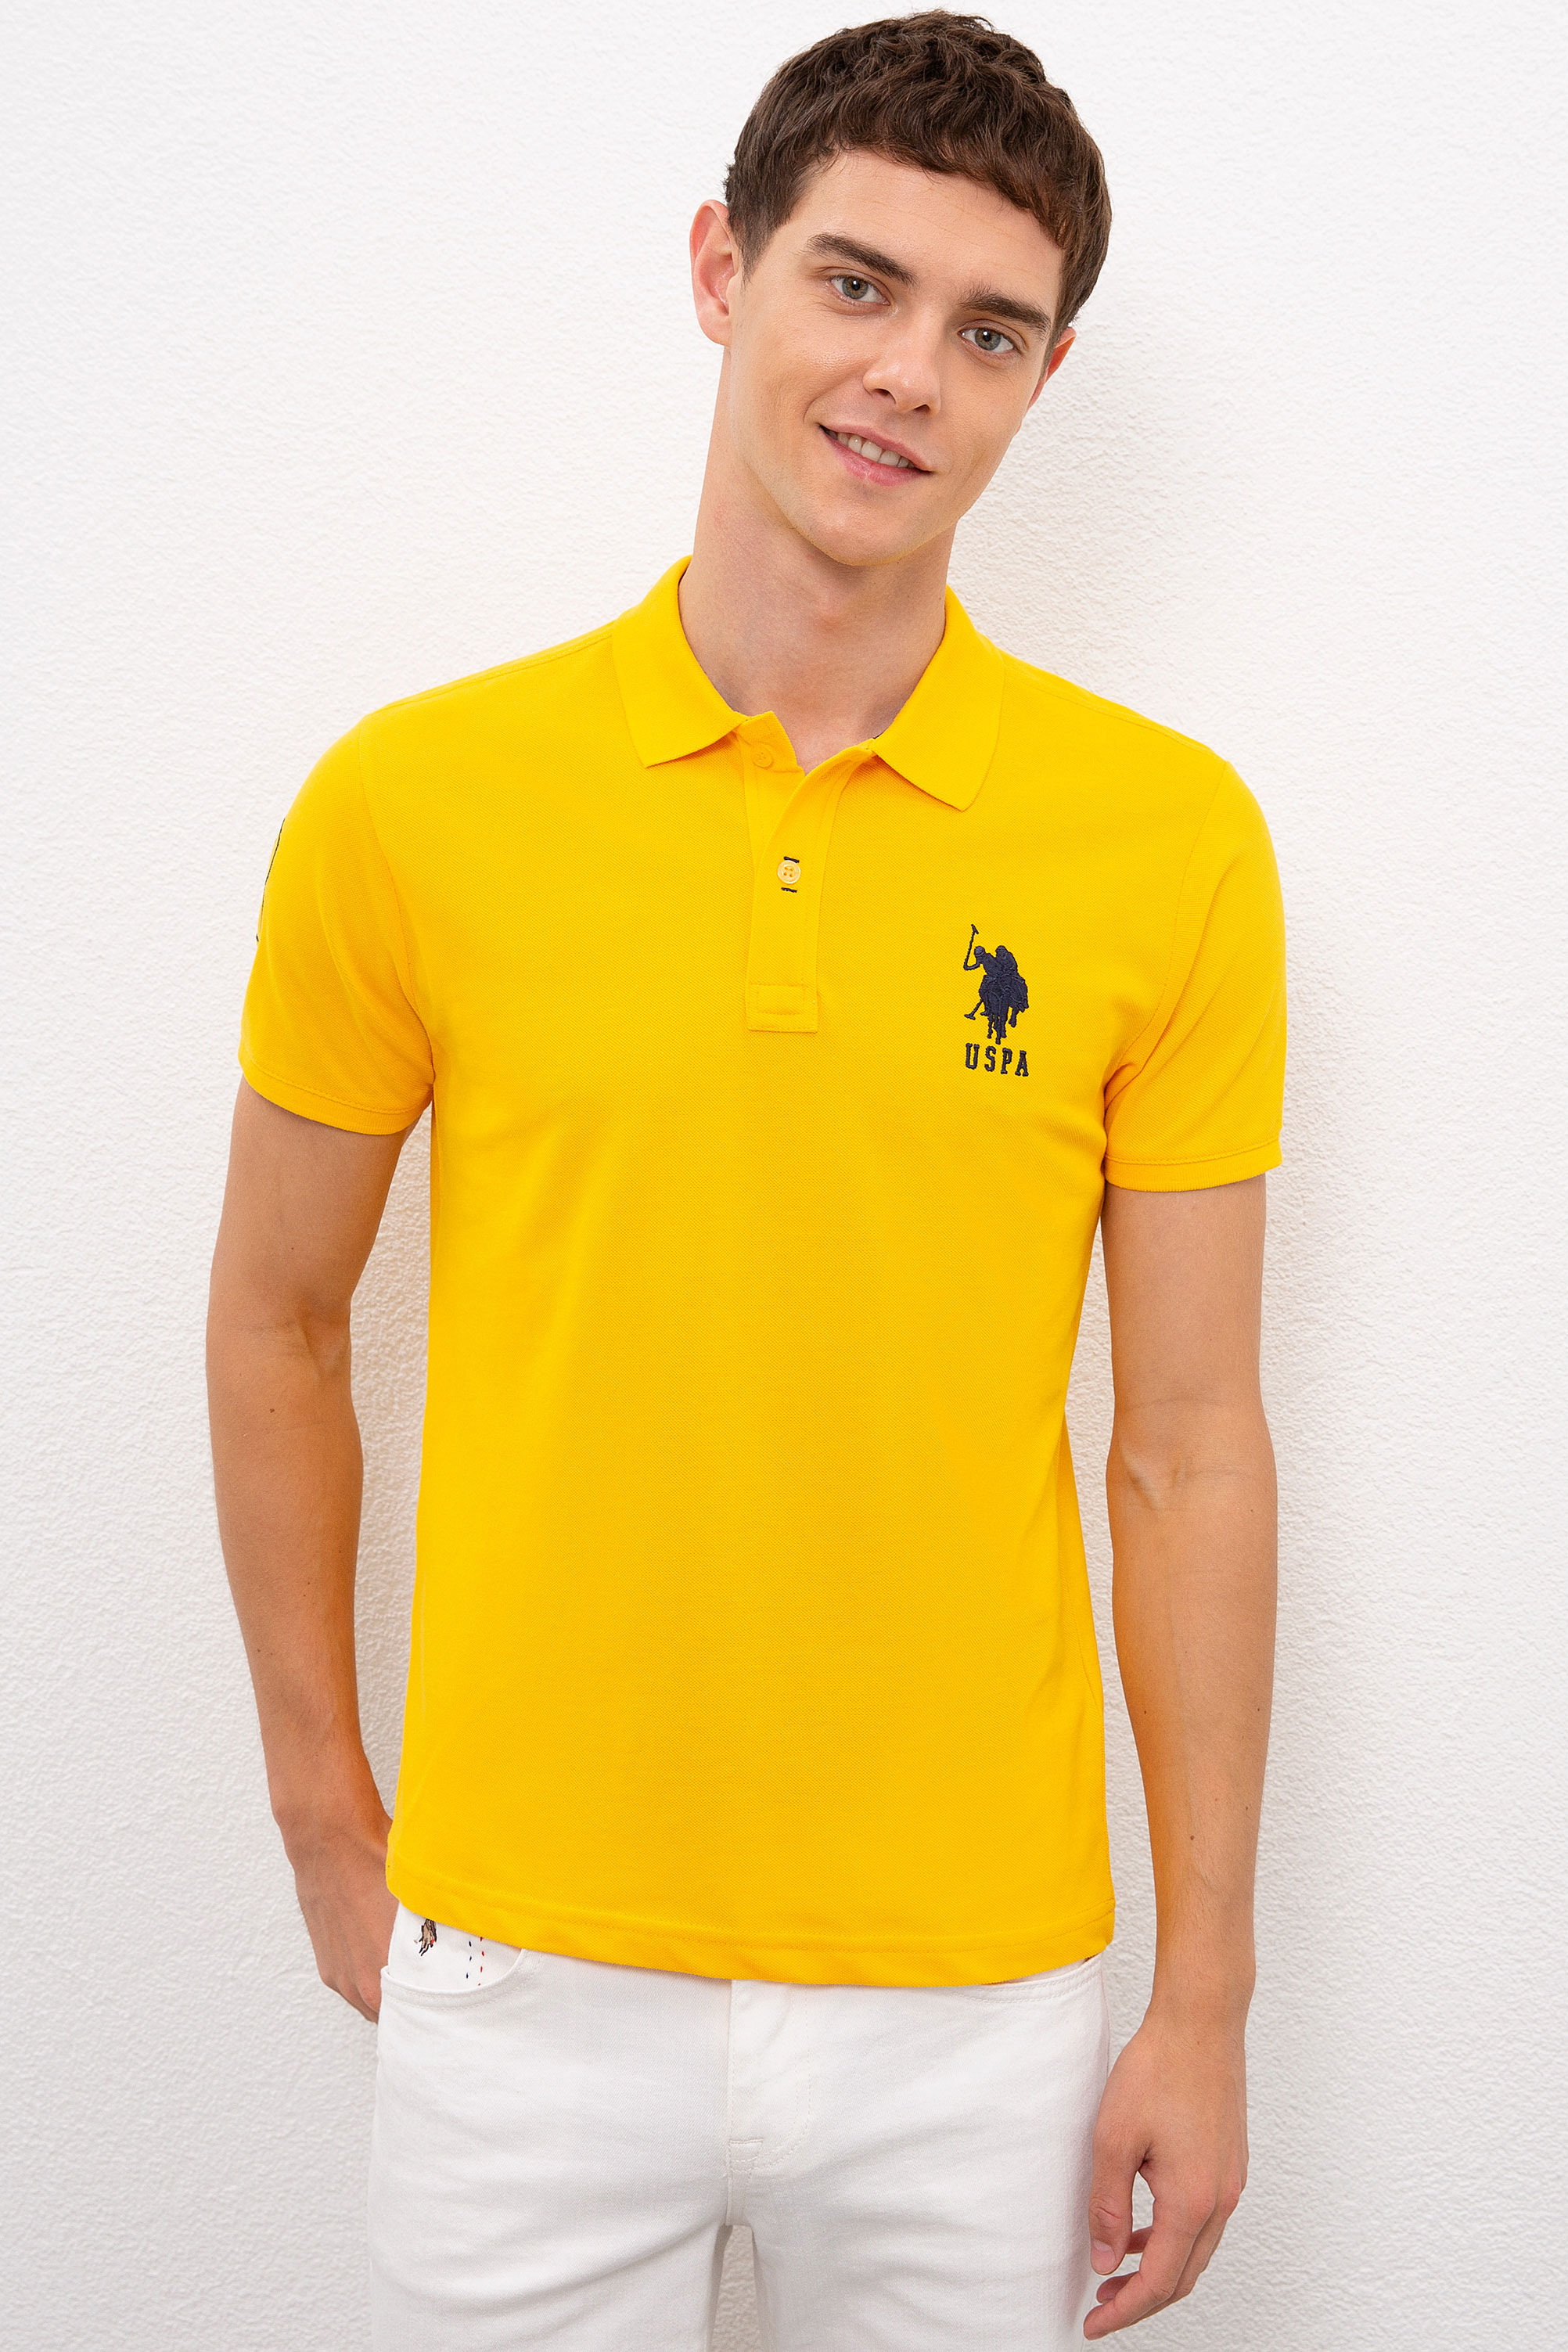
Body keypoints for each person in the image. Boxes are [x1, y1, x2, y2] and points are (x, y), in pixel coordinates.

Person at [207, 14, 1285, 2348]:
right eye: (855, 283)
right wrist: (324, 1815)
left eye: (988, 329)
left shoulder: (1167, 842)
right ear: (723, 268)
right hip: (520, 1961)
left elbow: (1190, 1444)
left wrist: (1202, 1997)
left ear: (1044, 376)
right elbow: (276, 1318)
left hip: (976, 1994)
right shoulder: (413, 805)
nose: (907, 375)